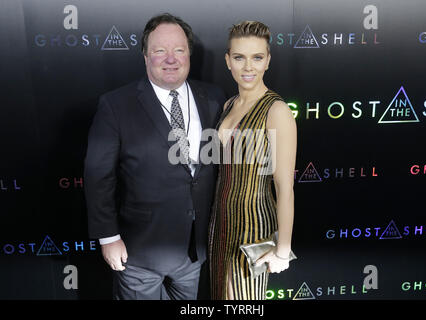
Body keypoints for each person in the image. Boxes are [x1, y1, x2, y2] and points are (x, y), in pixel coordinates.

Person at [84, 13, 225, 300]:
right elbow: (98, 175)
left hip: (195, 251)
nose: (170, 59)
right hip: (139, 252)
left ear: (189, 54)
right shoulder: (115, 105)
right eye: (160, 50)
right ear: (145, 56)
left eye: (179, 50)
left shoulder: (214, 97)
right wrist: (108, 238)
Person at [208, 20, 297, 300]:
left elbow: (284, 188)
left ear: (268, 61)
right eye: (239, 57)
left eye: (257, 57)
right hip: (219, 224)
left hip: (253, 229)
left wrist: (283, 250)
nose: (248, 67)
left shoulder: (277, 110)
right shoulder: (228, 105)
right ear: (228, 61)